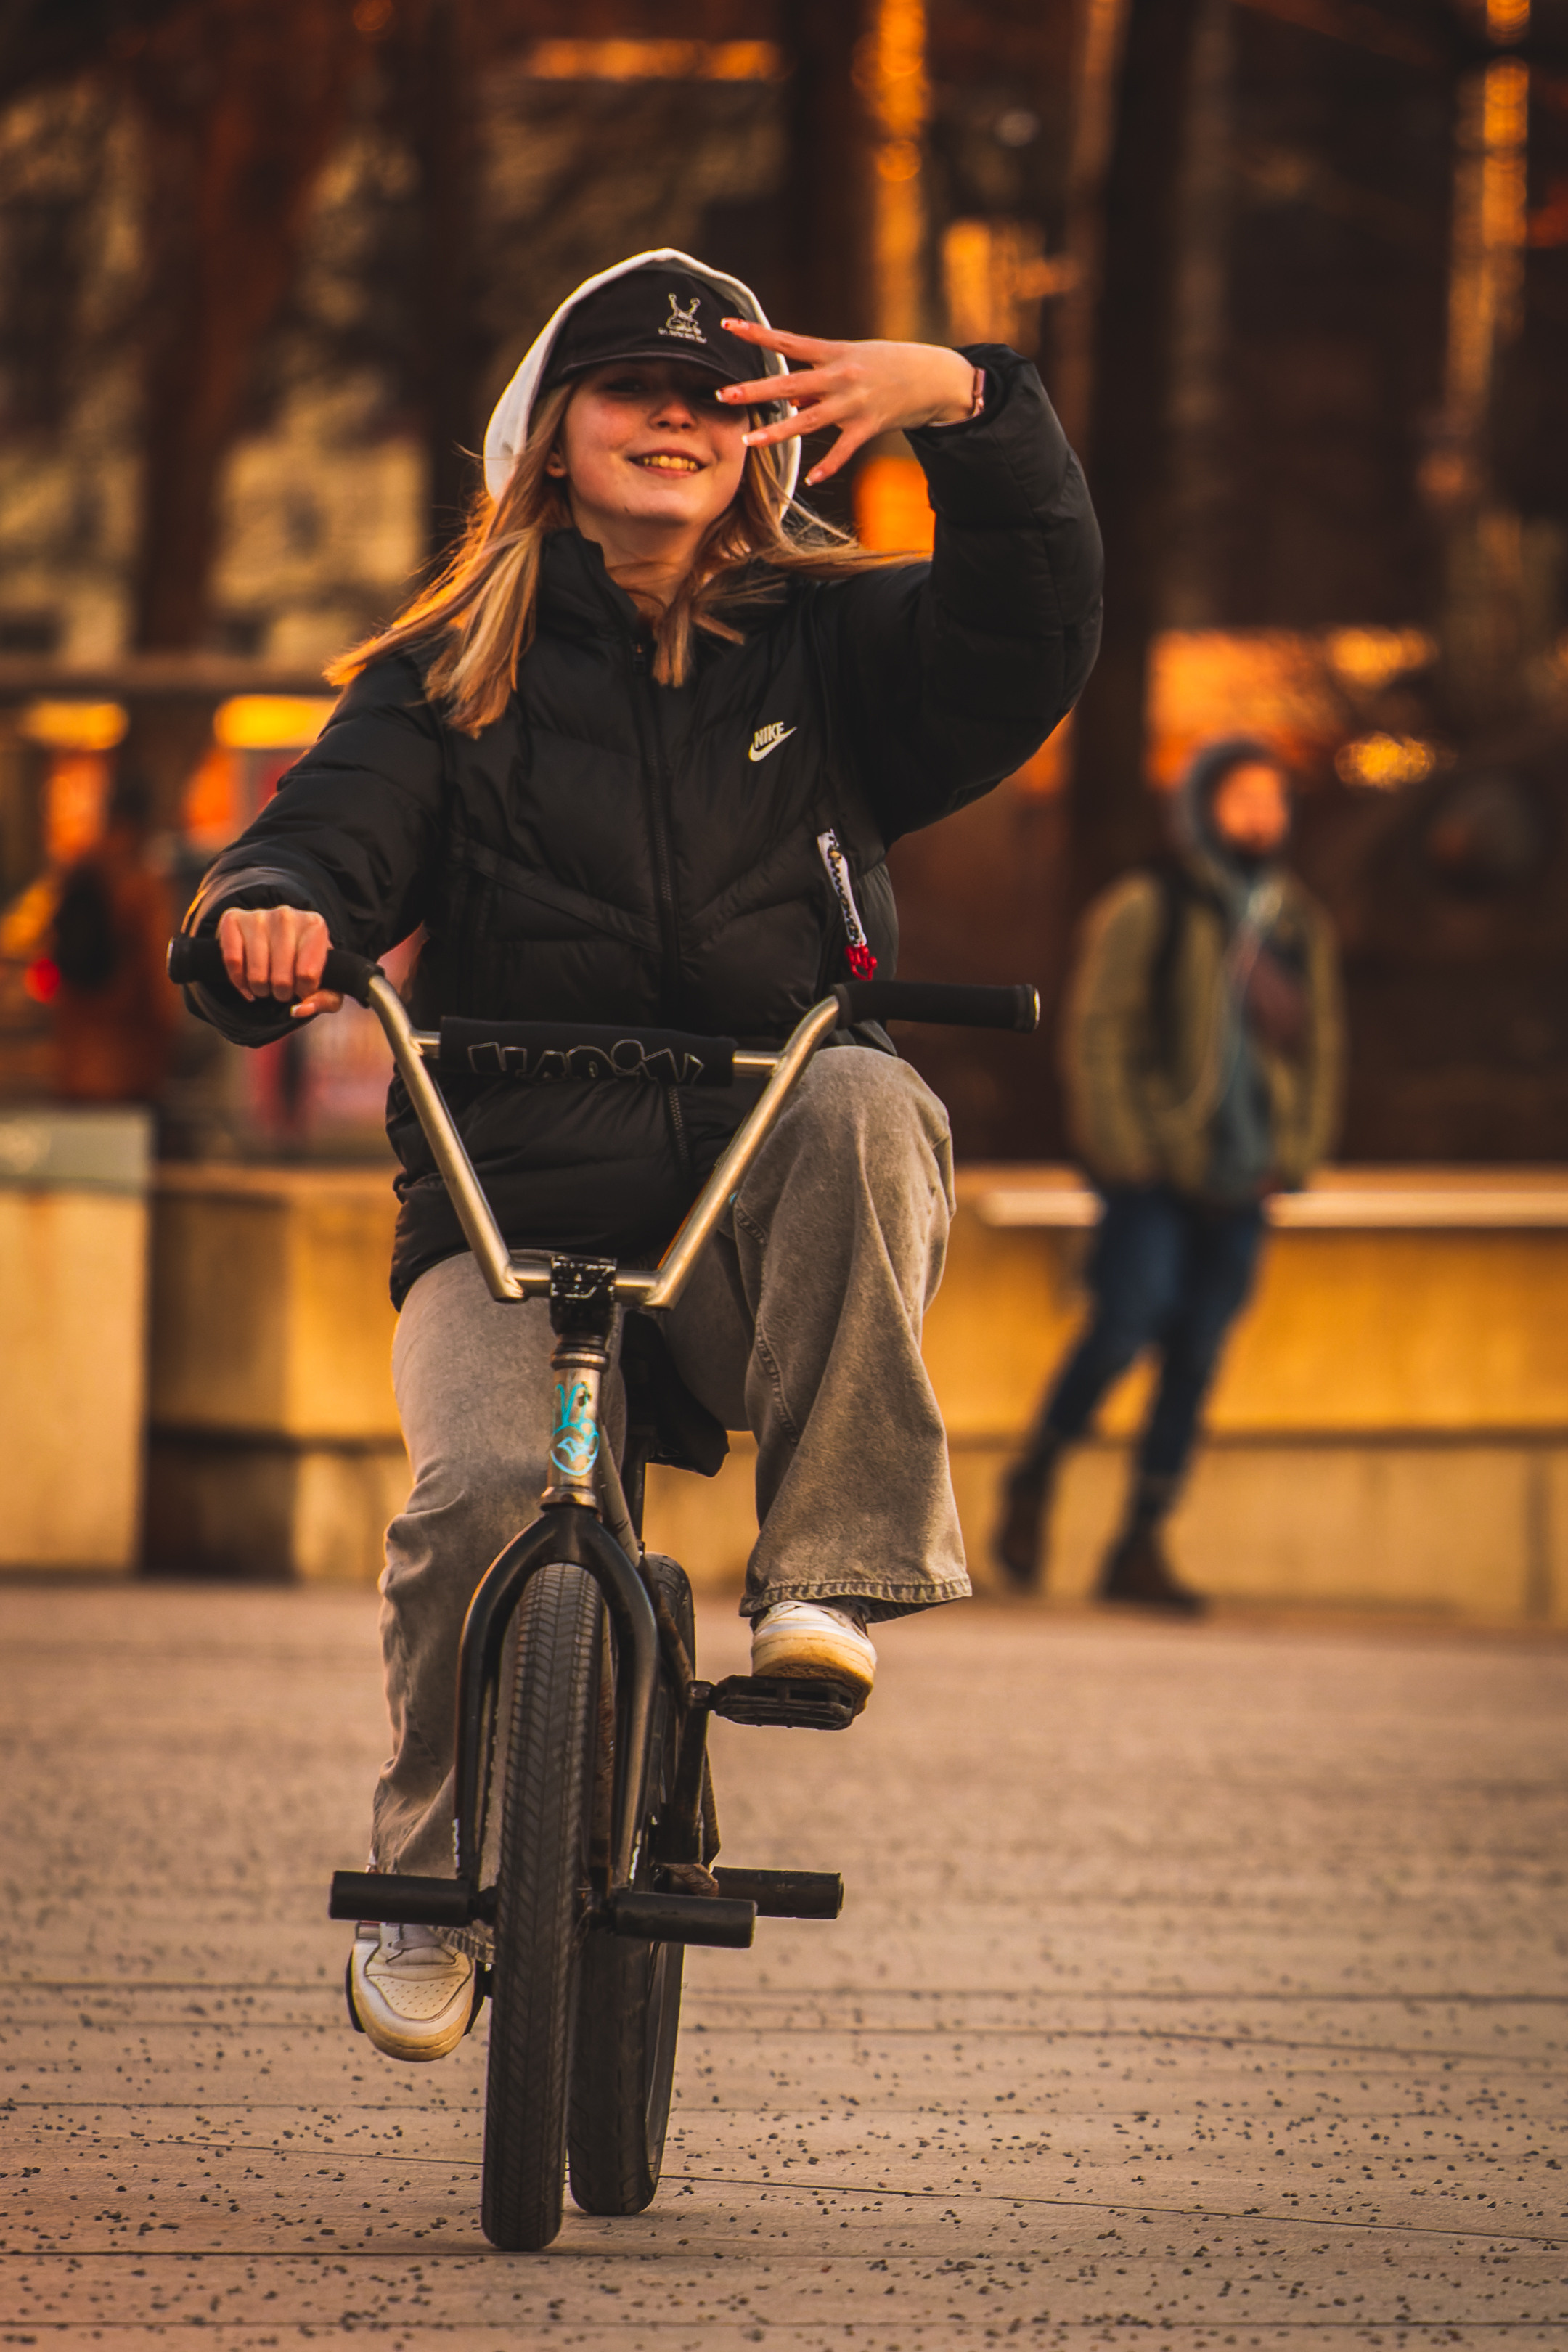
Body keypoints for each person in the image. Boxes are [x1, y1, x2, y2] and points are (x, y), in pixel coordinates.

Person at [180, 249, 1103, 2060]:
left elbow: (1032, 625)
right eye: (629, 392)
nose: (672, 419)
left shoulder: (839, 649)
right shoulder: (448, 674)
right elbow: (320, 838)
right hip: (508, 1211)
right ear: (551, 437)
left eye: (714, 400)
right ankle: (434, 1881)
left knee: (865, 1092)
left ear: (760, 447)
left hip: (750, 1219)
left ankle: (823, 1568)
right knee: (476, 1495)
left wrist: (971, 405)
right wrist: (266, 914)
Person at [994, 738, 1342, 1614]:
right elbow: (1097, 1028)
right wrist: (1125, 1147)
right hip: (1150, 1170)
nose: (1262, 816)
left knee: (1197, 1356)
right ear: (1201, 807)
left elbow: (1321, 1046)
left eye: (1274, 801)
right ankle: (1037, 1472)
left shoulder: (1295, 920)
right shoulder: (1150, 904)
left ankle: (1141, 1541)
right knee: (1125, 1327)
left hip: (1245, 1178)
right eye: (1242, 799)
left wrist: (1293, 1154)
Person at [51, 771, 178, 1106]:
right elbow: (157, 970)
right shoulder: (141, 882)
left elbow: (54, 946)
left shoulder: (78, 868)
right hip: (129, 1055)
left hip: (77, 1051)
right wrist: (171, 1025)